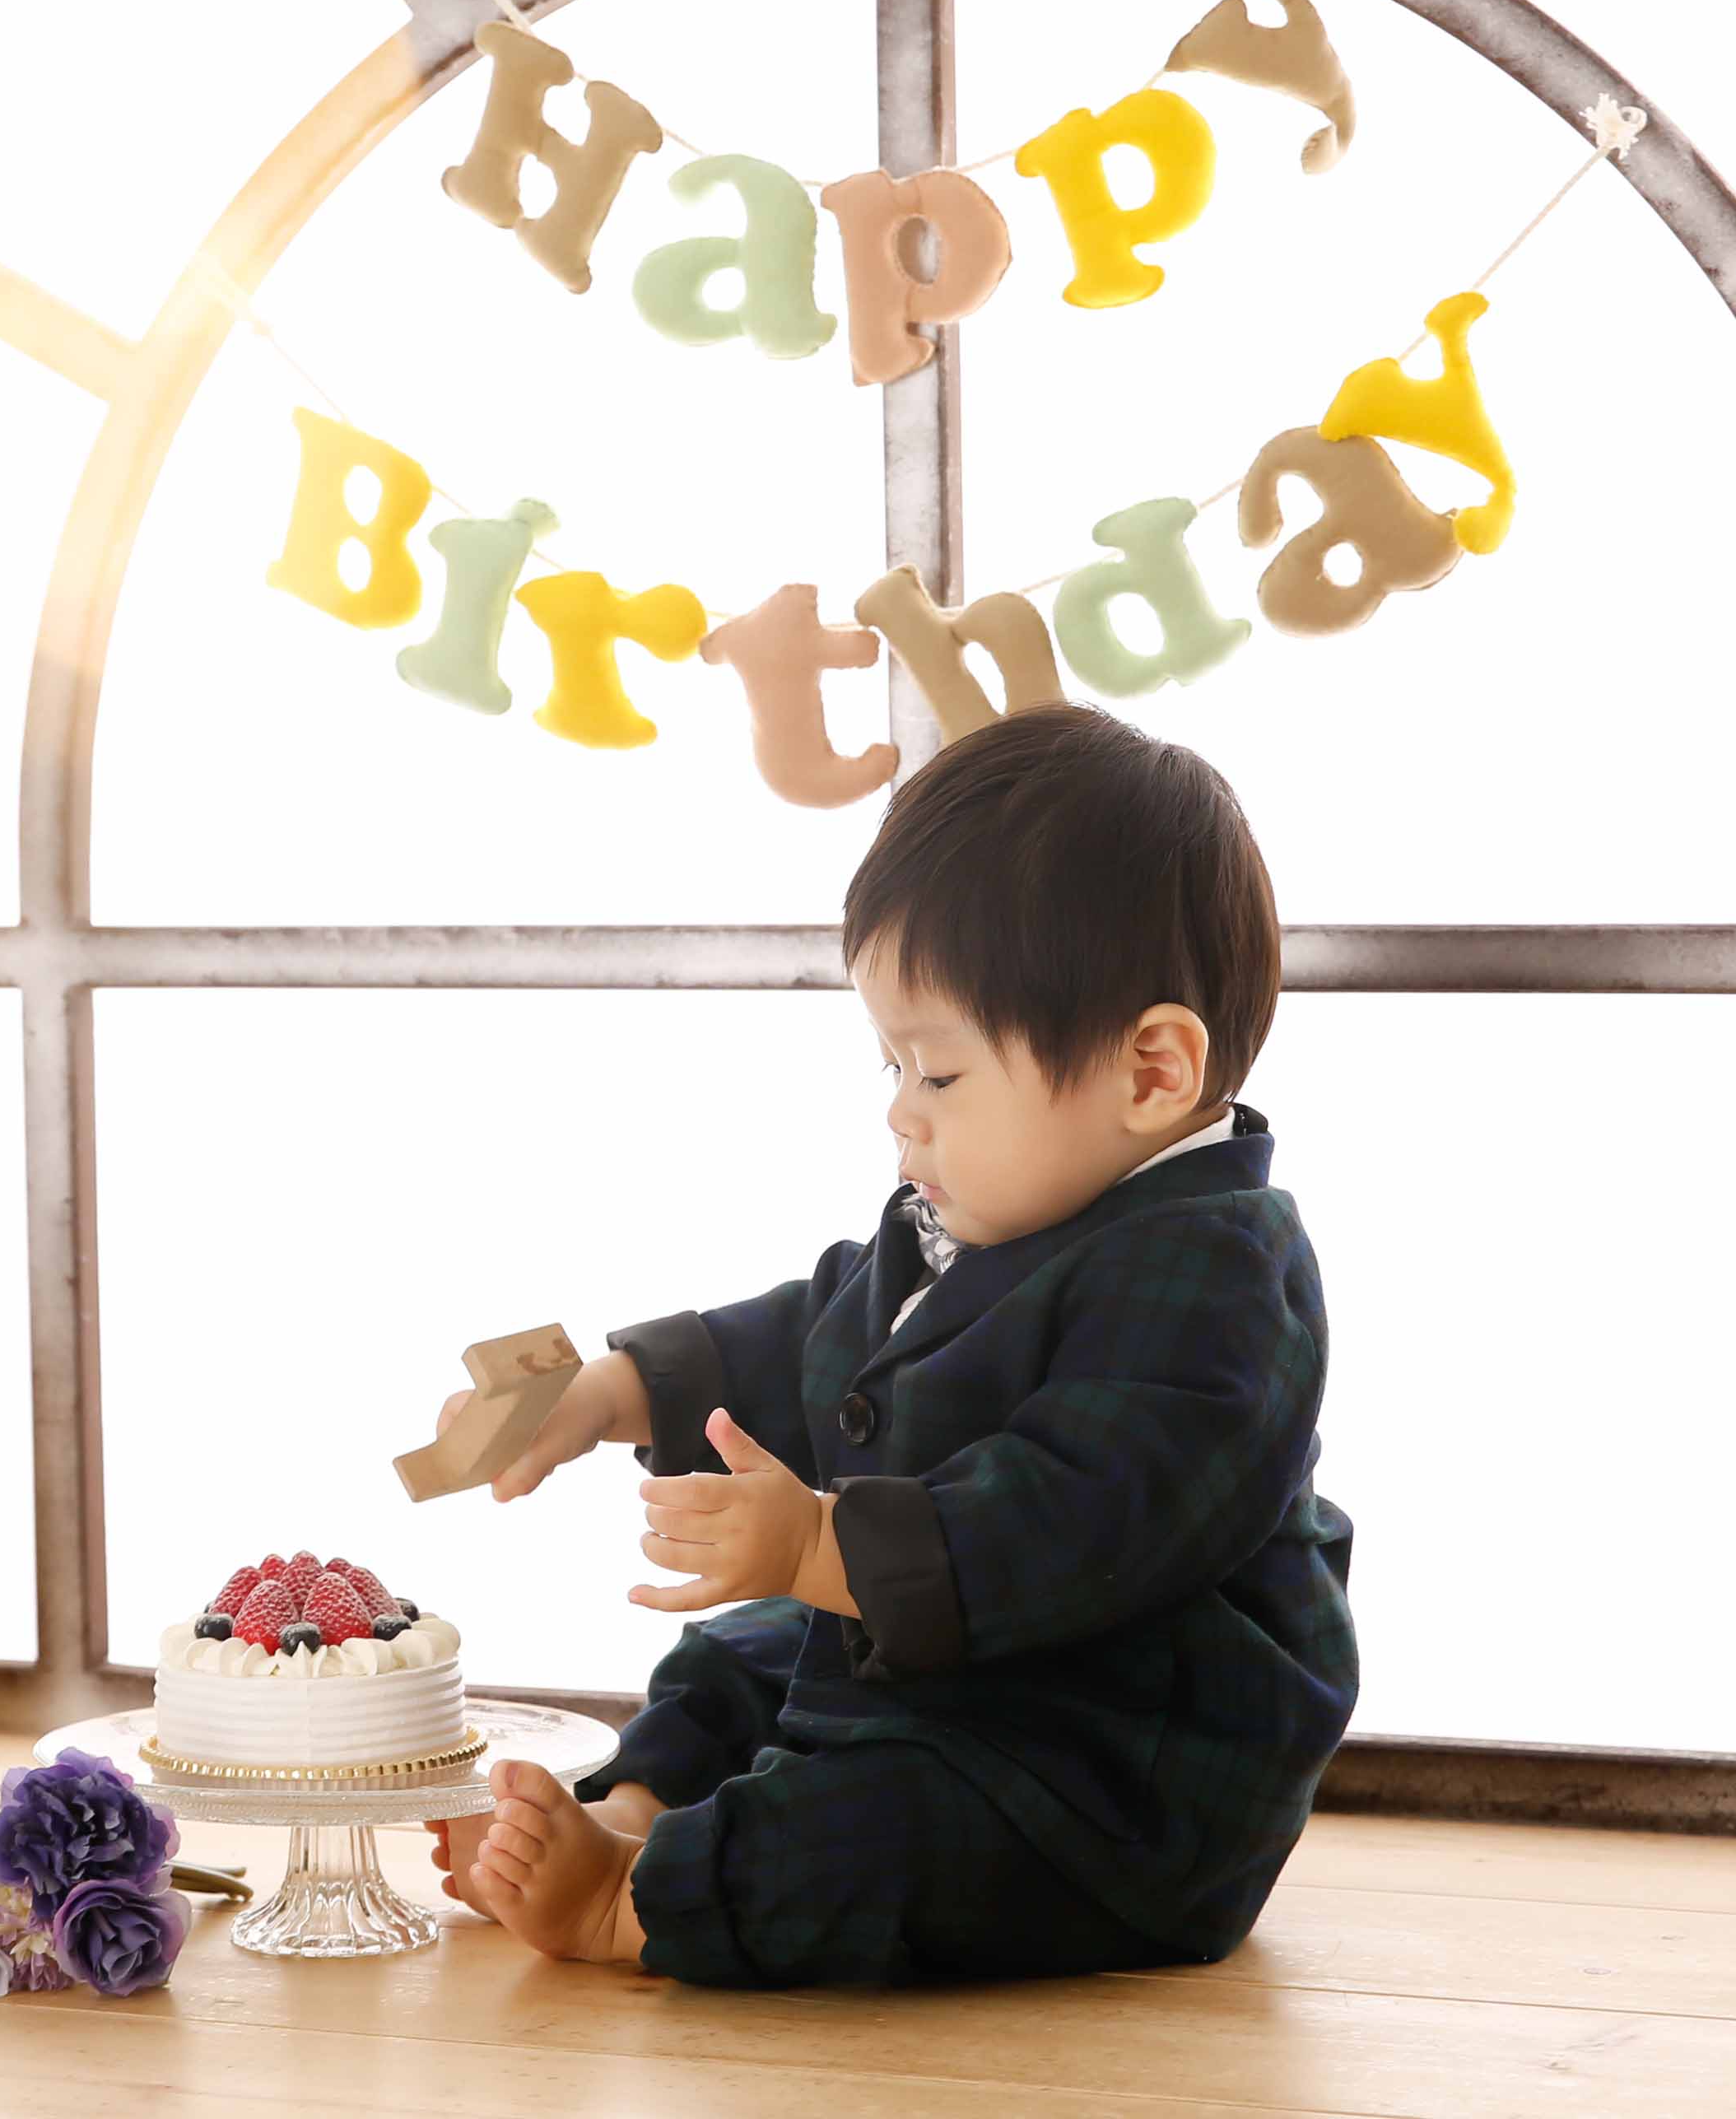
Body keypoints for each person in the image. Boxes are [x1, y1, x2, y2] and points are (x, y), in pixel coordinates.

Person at [426, 701, 1357, 1986]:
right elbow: (828, 1337)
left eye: (941, 1075)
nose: (901, 1117)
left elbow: (1077, 1515)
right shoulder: (988, 1217)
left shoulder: (1219, 1282)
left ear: (1152, 1072)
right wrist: (616, 1389)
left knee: (878, 1828)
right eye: (893, 1069)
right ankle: (640, 1807)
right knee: (737, 1657)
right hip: (965, 1680)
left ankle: (631, 1907)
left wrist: (819, 1545)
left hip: (1103, 1774)